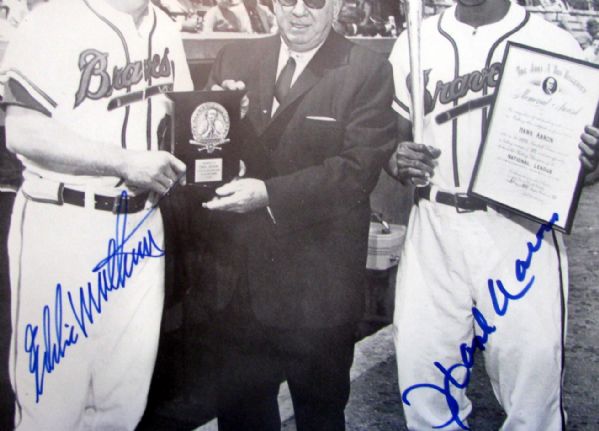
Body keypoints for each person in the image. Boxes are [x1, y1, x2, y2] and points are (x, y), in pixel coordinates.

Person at [387, 0, 599, 429]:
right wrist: (397, 160)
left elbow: (584, 169)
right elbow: (395, 144)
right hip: (435, 225)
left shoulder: (554, 43)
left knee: (532, 396)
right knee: (425, 384)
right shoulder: (415, 39)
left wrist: (591, 163)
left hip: (519, 230)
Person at [197, 0, 396, 428]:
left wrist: (269, 194)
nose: (300, 12)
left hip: (317, 291)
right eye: (289, 0)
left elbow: (357, 171)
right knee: (242, 416)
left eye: (316, 1)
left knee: (319, 415)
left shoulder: (367, 68)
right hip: (240, 285)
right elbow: (203, 152)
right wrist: (229, 117)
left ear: (339, 5)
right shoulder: (235, 59)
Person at [0, 0, 192, 429]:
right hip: (64, 218)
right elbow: (22, 130)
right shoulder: (51, 20)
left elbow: (178, 118)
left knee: (121, 405)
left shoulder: (165, 26)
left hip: (143, 225)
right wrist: (122, 162)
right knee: (50, 405)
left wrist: (224, 110)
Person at [203, 0, 277, 33]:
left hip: (267, 41)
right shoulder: (234, 11)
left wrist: (272, 33)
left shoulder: (264, 10)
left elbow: (277, 23)